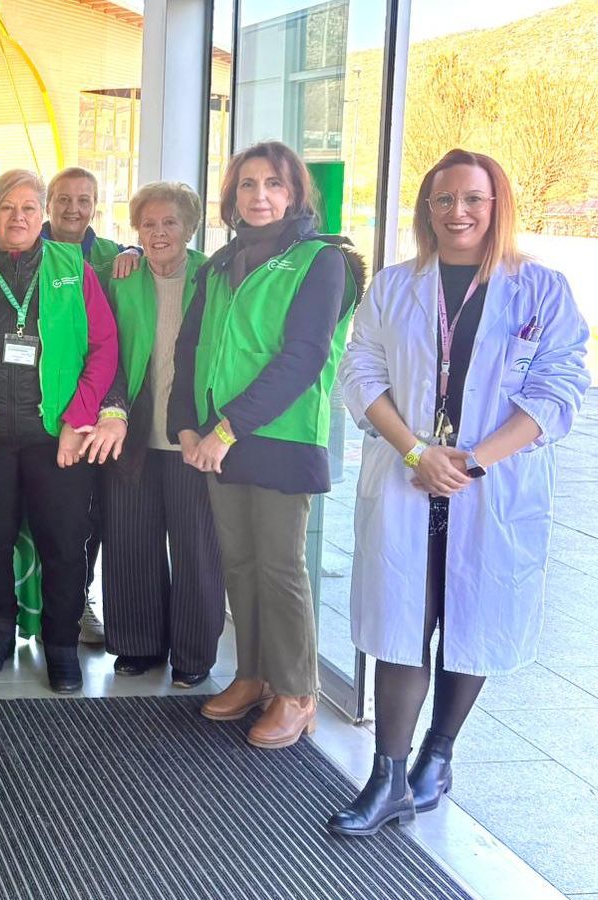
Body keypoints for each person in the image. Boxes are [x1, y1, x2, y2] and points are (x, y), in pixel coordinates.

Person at [328, 149, 589, 835]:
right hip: (409, 474)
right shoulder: (394, 285)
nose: (458, 212)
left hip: (487, 488)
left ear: (496, 205)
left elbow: (559, 389)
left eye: (473, 199)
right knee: (403, 624)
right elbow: (359, 370)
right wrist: (416, 450)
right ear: (427, 209)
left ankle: (437, 757)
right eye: (444, 200)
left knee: (469, 622)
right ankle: (387, 778)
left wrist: (470, 462)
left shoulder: (540, 290)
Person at [170, 140, 363, 749]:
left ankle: (298, 693)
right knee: (239, 562)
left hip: (278, 437)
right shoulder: (220, 264)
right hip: (215, 439)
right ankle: (253, 676)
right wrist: (185, 425)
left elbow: (302, 358)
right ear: (232, 197)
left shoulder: (321, 261)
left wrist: (226, 429)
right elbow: (189, 349)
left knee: (280, 568)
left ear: (295, 194)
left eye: (274, 184)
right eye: (248, 185)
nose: (260, 196)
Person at [0, 169, 118, 693]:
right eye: (6, 207)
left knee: (63, 543)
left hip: (58, 438)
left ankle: (61, 644)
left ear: (42, 215)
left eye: (27, 208)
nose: (17, 217)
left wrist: (77, 420)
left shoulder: (72, 267)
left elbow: (104, 348)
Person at [80, 181, 225, 688]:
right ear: (137, 231)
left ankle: (193, 652)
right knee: (130, 541)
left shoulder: (214, 276)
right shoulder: (122, 277)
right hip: (131, 432)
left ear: (190, 227)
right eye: (148, 224)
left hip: (194, 436)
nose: (159, 232)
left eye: (170, 223)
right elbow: (102, 347)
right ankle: (138, 645)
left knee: (196, 549)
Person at [40, 166, 141, 647]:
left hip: (95, 407)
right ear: (48, 203)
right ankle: (30, 605)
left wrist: (135, 250)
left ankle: (78, 600)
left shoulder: (112, 258)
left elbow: (110, 339)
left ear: (95, 206)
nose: (73, 208)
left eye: (83, 200)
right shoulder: (27, 247)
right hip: (35, 405)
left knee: (86, 515)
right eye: (63, 198)